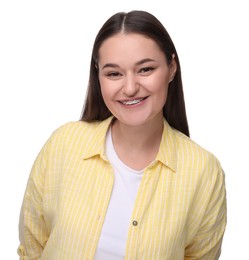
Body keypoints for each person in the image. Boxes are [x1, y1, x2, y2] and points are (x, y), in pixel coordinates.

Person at [17, 10, 227, 260]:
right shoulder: (63, 143)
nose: (129, 88)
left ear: (171, 68)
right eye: (114, 73)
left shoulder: (204, 171)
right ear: (98, 75)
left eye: (146, 69)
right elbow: (32, 247)